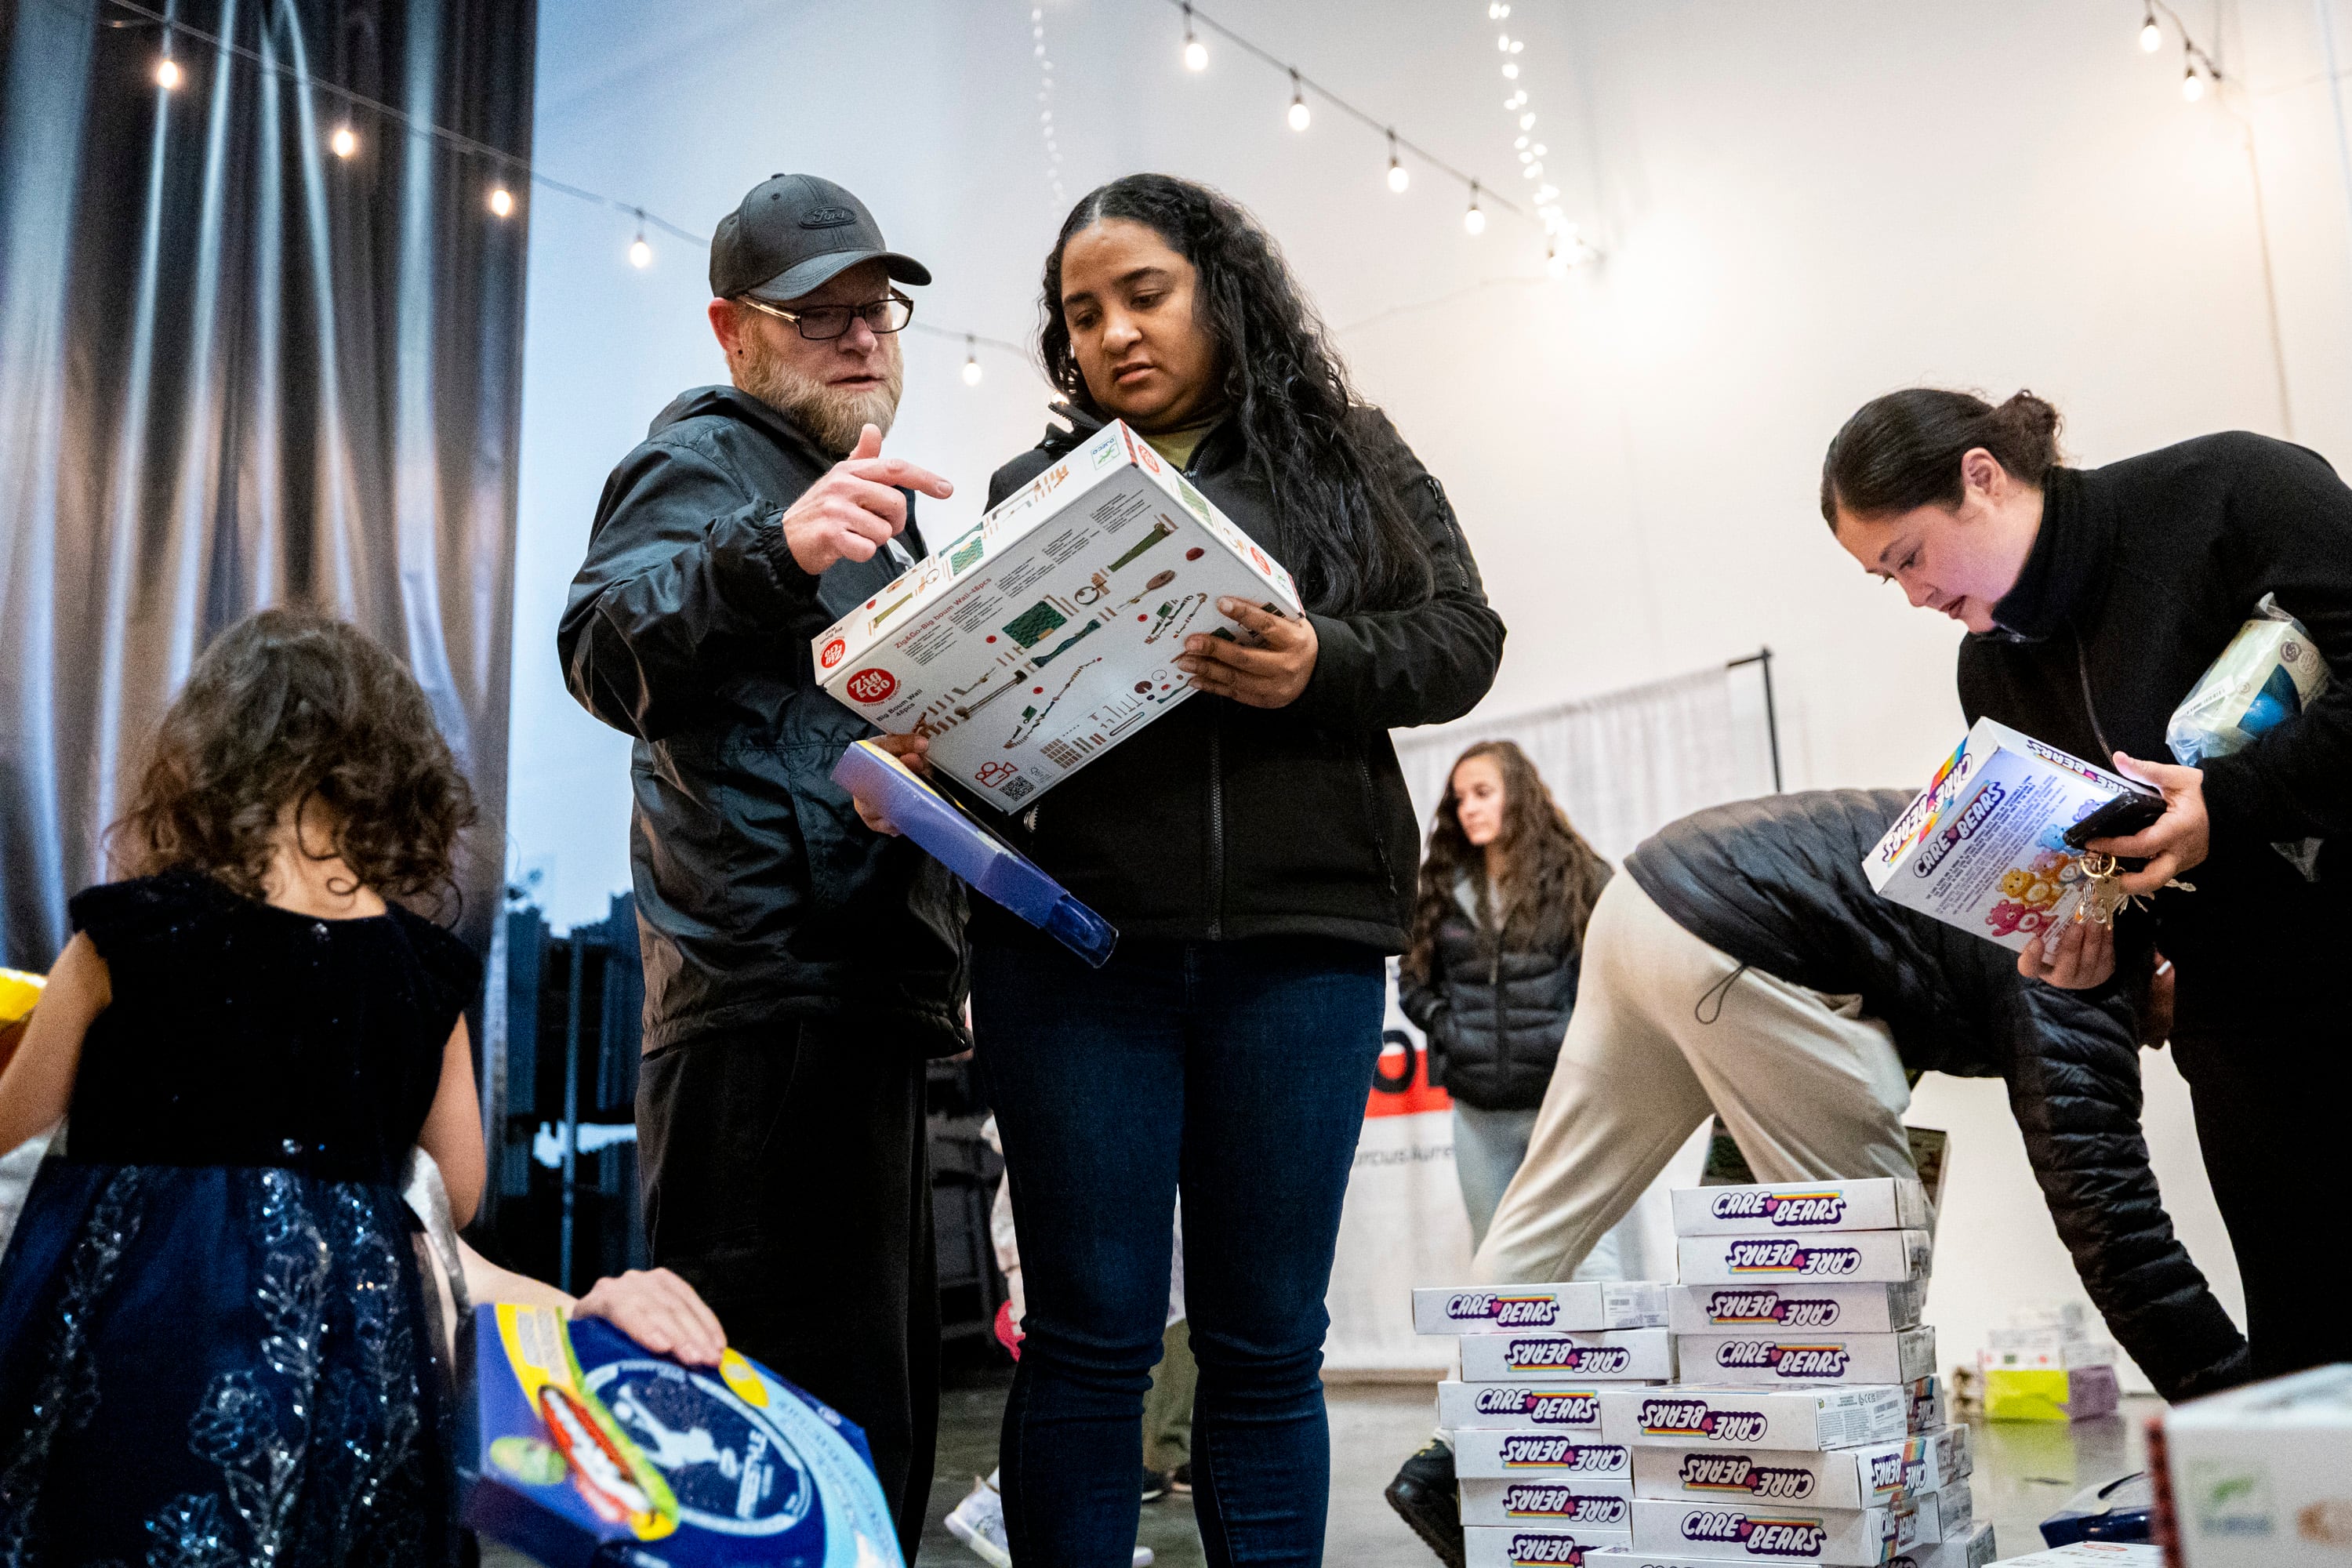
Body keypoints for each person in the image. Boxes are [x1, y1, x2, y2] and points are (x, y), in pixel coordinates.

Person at [854, 172, 1503, 1566]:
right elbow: (992, 713)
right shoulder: (1040, 492)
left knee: (1267, 1341)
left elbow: (1461, 639)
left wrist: (1325, 661)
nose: (1114, 335)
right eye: (1082, 315)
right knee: (1087, 1334)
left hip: (1302, 951)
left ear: (1221, 288)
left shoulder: (1352, 456)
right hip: (1076, 957)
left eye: (1144, 294)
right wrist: (923, 751)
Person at [1384, 788, 2249, 1568]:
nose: (2170, 1042)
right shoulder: (2084, 954)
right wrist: (2241, 1407)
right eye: (2188, 1020)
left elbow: (1883, 972)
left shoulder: (2055, 878)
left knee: (1551, 1210)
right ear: (2175, 959)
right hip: (1734, 945)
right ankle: (1872, 1527)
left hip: (1644, 902)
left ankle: (1452, 1460)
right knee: (1872, 1246)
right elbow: (2111, 1214)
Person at [557, 173, 966, 1554]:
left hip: (862, 998)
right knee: (759, 1450)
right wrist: (770, 555)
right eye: (819, 317)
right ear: (734, 332)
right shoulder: (708, 462)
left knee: (870, 1435)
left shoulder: (870, 499)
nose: (861, 338)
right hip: (760, 1009)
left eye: (877, 312)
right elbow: (601, 648)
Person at [1822, 388, 2352, 1379]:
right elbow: (2120, 874)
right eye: (1883, 579)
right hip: (2245, 1050)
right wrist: (2087, 955)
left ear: (1981, 477)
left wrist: (2229, 804)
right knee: (2316, 1373)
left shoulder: (2234, 491)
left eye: (1909, 556)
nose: (1914, 598)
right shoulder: (1993, 678)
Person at [0, 609, 486, 1563]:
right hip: (347, 1349)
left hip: (141, 1327)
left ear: (206, 759)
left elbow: (14, 1118)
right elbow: (456, 1191)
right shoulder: (427, 973)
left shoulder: (124, 932)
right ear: (390, 776)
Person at [1399, 740, 1612, 1250]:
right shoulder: (1443, 888)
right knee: (1495, 1264)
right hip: (1477, 1112)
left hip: (1561, 1105)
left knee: (1584, 1257)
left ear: (1517, 795)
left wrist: (1572, 1035)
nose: (1468, 807)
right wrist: (1449, 1025)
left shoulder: (1579, 875)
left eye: (1482, 793)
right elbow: (1411, 981)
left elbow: (1616, 976)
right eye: (1459, 799)